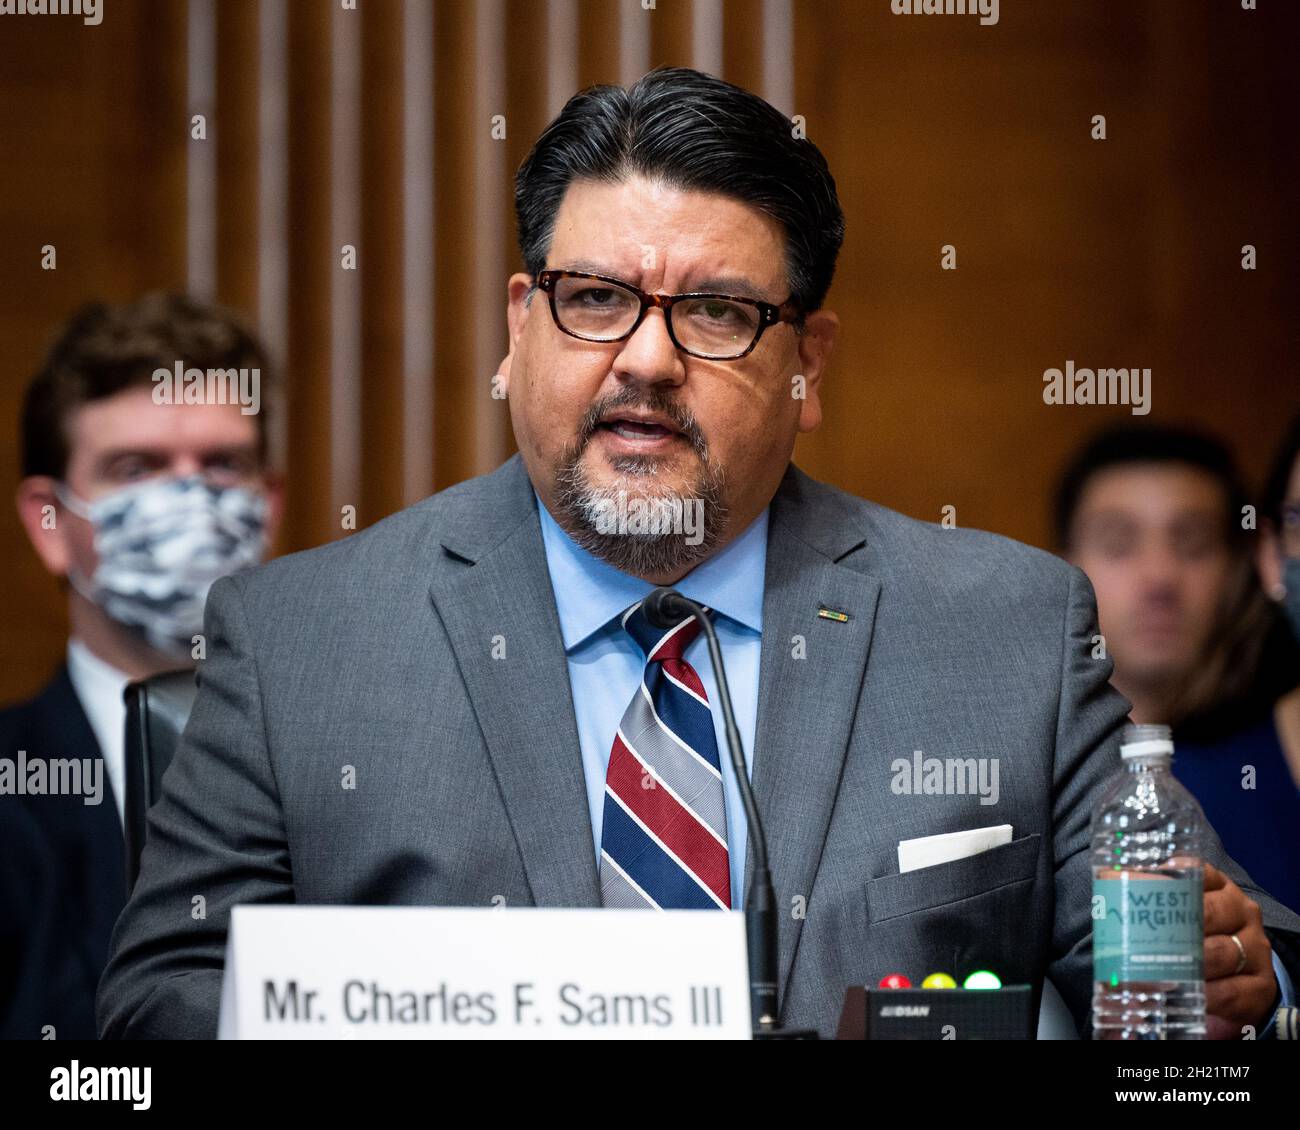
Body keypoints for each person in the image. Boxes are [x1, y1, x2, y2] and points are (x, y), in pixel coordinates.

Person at [97, 67, 1298, 1041]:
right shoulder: (300, 639)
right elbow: (152, 1012)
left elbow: (1207, 969)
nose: (647, 360)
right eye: (594, 298)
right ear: (521, 325)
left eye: (718, 312)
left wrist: (1239, 990)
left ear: (807, 364)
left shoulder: (1005, 630)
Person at [0, 293, 282, 1039]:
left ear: (270, 504)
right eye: (138, 468)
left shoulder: (360, 764)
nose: (188, 498)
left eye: (223, 465)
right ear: (51, 524)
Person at [1056, 424, 1300, 914]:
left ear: (1249, 565)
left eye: (1193, 543)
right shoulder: (1040, 785)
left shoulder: (1282, 753)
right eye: (1118, 543)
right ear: (1062, 568)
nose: (1159, 578)